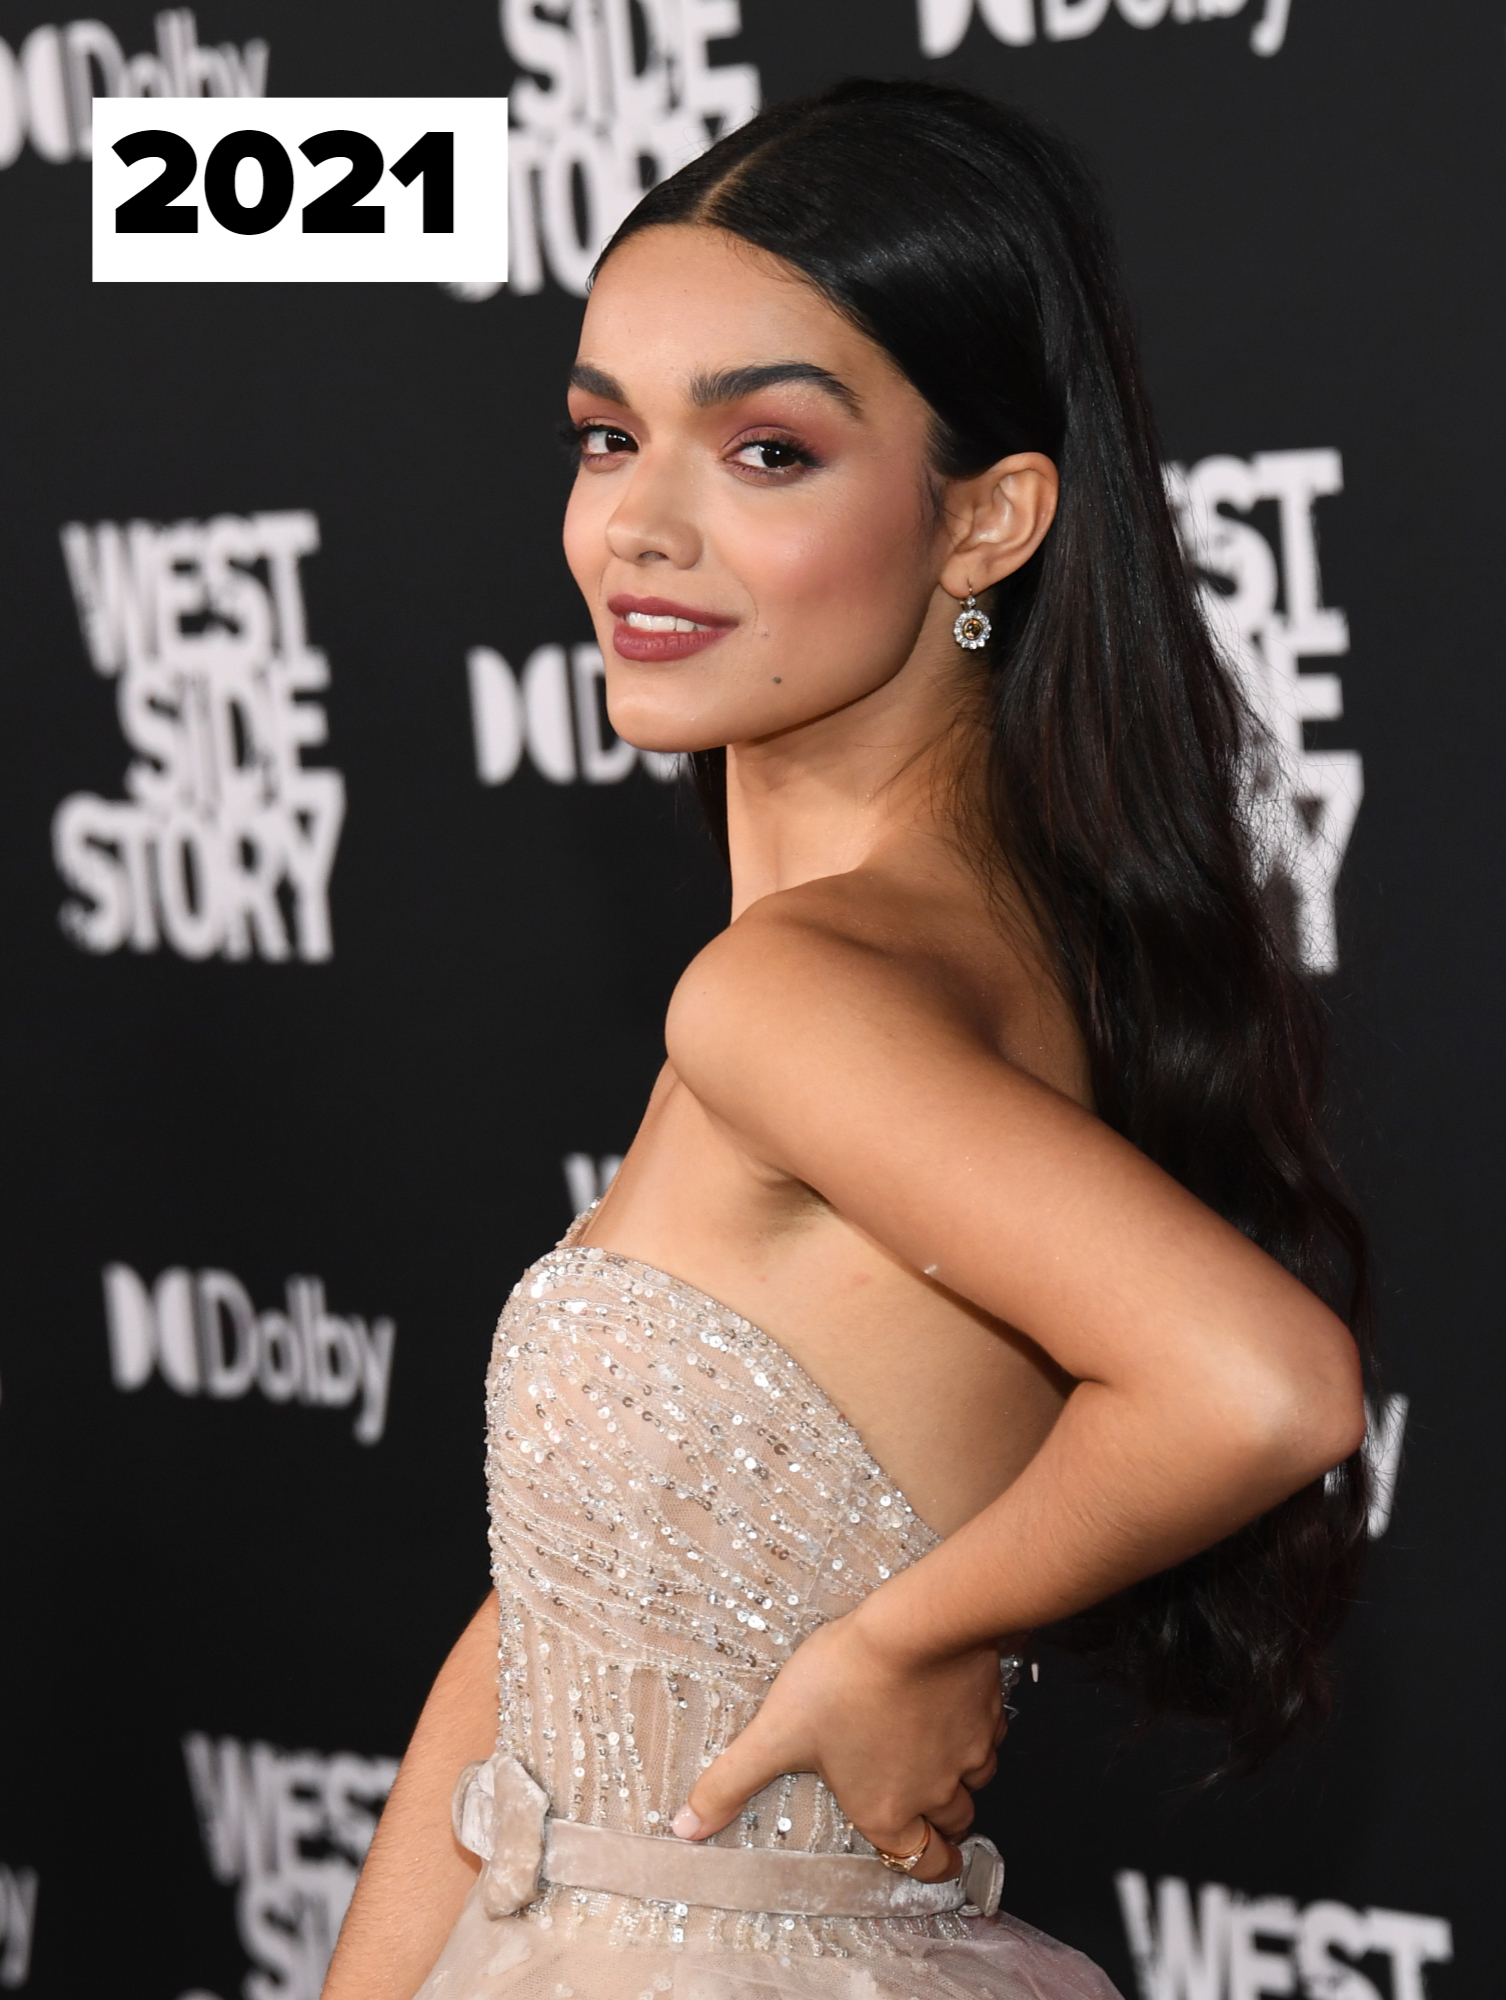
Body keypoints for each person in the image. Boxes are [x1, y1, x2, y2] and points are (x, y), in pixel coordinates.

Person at [322, 78, 1370, 2000]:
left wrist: (905, 1640)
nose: (638, 525)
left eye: (769, 452)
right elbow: (554, 1631)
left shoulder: (789, 993)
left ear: (985, 521)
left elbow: (1261, 1382)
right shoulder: (978, 950)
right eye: (604, 434)